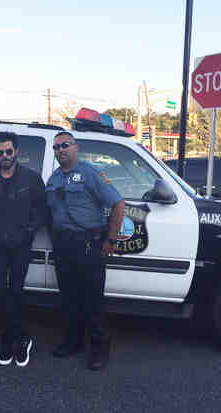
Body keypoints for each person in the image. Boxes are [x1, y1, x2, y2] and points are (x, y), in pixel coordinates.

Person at [46, 131, 125, 371]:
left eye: (65, 145)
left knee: (92, 300)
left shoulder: (90, 174)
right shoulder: (54, 178)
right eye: (56, 147)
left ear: (75, 147)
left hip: (89, 245)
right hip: (63, 245)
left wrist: (111, 239)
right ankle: (73, 342)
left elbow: (118, 203)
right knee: (69, 298)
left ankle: (100, 348)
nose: (60, 150)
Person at [0, 131, 47, 367]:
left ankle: (10, 338)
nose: (5, 155)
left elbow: (42, 210)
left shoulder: (32, 179)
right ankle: (18, 337)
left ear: (16, 152)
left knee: (16, 290)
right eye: (0, 152)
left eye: (9, 151)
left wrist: (27, 232)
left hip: (22, 244)